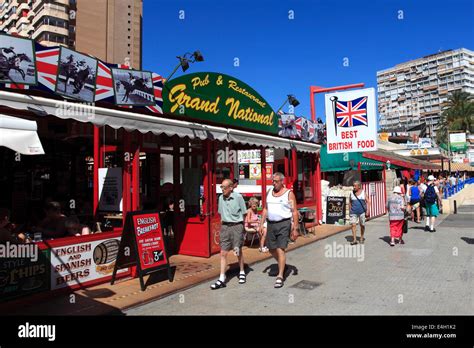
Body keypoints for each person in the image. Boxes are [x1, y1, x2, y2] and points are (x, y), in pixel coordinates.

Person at [259, 172, 299, 288]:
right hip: (271, 224)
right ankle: (283, 264)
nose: (274, 183)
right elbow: (265, 209)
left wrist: (295, 228)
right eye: (273, 181)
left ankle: (280, 276)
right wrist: (261, 224)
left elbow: (294, 211)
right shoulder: (269, 192)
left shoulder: (288, 194)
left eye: (276, 181)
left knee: (280, 249)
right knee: (271, 248)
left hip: (284, 224)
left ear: (282, 182)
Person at [210, 179, 247, 290]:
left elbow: (244, 213)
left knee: (237, 250)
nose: (222, 190)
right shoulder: (220, 198)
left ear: (231, 187)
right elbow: (221, 213)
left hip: (237, 226)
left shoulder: (238, 197)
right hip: (225, 226)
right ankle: (222, 278)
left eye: (224, 187)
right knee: (223, 253)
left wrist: (242, 228)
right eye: (221, 187)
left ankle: (242, 271)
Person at [348, 181, 370, 245]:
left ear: (359, 186)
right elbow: (350, 202)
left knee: (362, 225)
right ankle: (354, 239)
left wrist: (367, 211)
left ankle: (361, 237)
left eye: (355, 186)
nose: (354, 187)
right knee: (353, 225)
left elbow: (368, 202)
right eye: (353, 186)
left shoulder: (363, 193)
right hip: (353, 212)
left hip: (362, 212)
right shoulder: (351, 193)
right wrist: (350, 211)